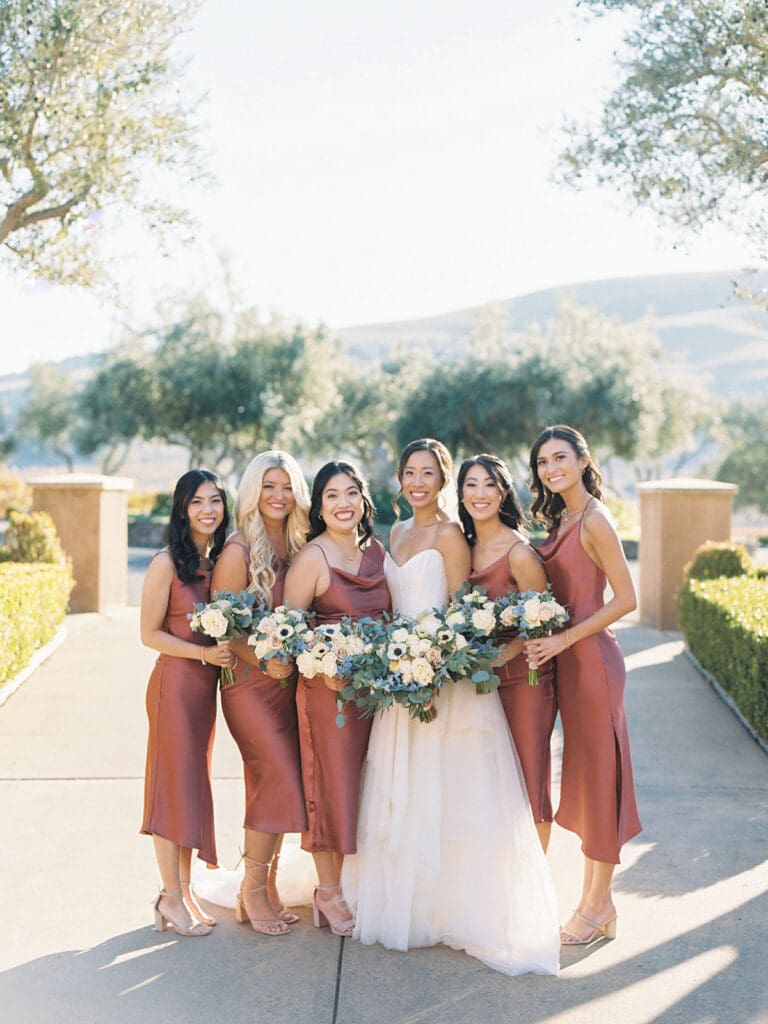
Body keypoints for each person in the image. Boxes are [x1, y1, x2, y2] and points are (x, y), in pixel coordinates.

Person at [342, 439, 559, 976]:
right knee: (401, 786)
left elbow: (463, 615)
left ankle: (452, 905)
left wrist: (437, 662)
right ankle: (404, 901)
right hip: (399, 682)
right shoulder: (393, 533)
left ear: (443, 481)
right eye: (410, 473)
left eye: (430, 474)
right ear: (399, 478)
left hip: (443, 681)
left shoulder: (451, 537)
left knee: (451, 790)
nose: (419, 482)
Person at [526, 424, 641, 945]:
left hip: (592, 662)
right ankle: (600, 905)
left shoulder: (595, 519)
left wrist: (567, 638)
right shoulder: (563, 517)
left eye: (560, 458)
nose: (552, 469)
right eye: (543, 463)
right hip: (569, 664)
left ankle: (597, 904)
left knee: (601, 781)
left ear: (582, 459)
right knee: (588, 780)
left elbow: (626, 598)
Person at [283, 460, 391, 937]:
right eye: (332, 495)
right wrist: (325, 668)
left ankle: (353, 884)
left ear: (363, 500)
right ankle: (327, 892)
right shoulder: (313, 558)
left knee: (366, 788)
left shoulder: (378, 553)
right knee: (329, 787)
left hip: (375, 696)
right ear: (319, 506)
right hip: (327, 696)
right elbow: (287, 630)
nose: (343, 503)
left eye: (351, 493)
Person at [210, 451, 310, 936]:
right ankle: (249, 888)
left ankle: (265, 889)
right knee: (281, 780)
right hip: (248, 686)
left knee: (266, 785)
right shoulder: (237, 550)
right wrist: (263, 661)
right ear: (253, 491)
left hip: (289, 686)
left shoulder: (297, 541)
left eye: (287, 486)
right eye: (269, 486)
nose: (278, 496)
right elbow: (221, 629)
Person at [140, 469, 234, 937]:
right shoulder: (165, 563)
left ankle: (183, 890)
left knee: (191, 788)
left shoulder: (216, 562)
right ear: (182, 508)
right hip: (174, 687)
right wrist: (201, 653)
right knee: (170, 790)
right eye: (197, 502)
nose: (208, 510)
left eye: (215, 500)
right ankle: (170, 898)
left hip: (203, 692)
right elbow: (148, 634)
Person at [458, 453, 557, 852]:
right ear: (460, 494)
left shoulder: (519, 552)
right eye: (470, 485)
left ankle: (538, 891)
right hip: (480, 683)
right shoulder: (462, 549)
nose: (479, 493)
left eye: (489, 485)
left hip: (525, 680)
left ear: (503, 493)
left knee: (530, 779)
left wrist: (504, 655)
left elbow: (544, 620)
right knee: (490, 784)